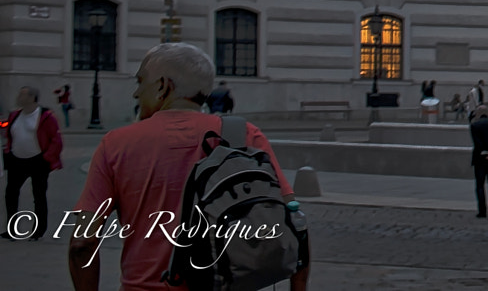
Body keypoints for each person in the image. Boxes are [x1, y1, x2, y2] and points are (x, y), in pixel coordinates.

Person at [64, 43, 309, 291]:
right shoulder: (244, 135)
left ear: (163, 86)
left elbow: (82, 243)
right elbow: (295, 224)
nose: (136, 93)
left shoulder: (116, 144)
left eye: (140, 82)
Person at [4, 85, 62, 239]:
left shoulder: (46, 116)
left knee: (39, 196)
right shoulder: (15, 115)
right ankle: (12, 229)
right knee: (10, 194)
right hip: (17, 160)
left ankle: (38, 230)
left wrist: (46, 158)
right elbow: (10, 135)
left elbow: (56, 141)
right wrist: (8, 151)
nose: (19, 97)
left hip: (38, 161)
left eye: (22, 95)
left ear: (32, 98)